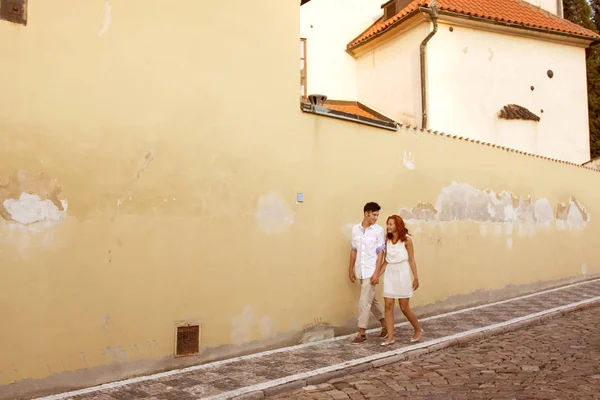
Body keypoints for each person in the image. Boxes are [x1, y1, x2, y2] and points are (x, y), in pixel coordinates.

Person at [372, 215, 423, 345]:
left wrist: (416, 277)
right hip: (390, 273)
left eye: (391, 224)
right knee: (388, 305)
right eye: (387, 224)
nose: (388, 227)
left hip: (403, 273)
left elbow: (412, 259)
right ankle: (390, 337)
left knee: (404, 307)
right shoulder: (386, 241)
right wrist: (377, 275)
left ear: (397, 225)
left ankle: (418, 329)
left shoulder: (407, 240)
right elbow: (385, 262)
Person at [349, 202, 387, 344]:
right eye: (374, 214)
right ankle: (385, 324)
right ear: (366, 213)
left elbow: (381, 253)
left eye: (377, 215)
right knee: (371, 300)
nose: (376, 218)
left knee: (364, 301)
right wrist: (350, 269)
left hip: (371, 270)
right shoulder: (355, 230)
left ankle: (362, 333)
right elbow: (354, 250)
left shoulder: (378, 231)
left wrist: (376, 273)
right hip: (360, 270)